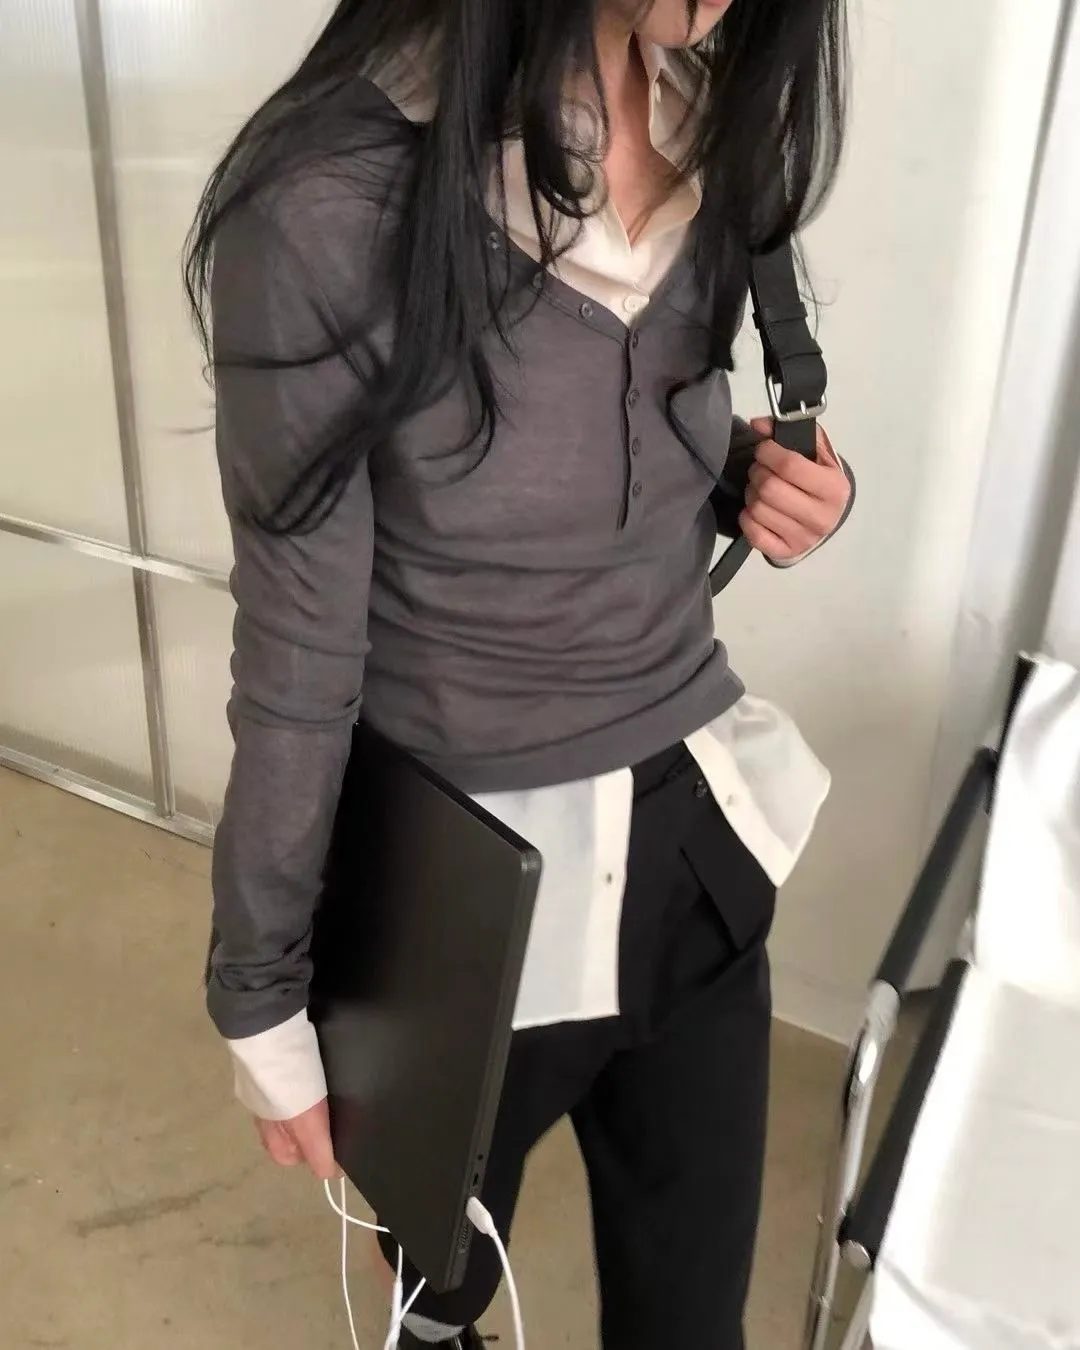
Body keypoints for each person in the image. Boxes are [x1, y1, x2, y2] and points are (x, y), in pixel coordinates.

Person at [185, 1, 851, 1346]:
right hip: (459, 892)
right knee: (439, 1301)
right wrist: (260, 988)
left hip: (693, 846)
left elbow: (648, 421)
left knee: (692, 1318)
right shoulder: (328, 201)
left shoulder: (712, 123)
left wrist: (761, 480)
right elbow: (302, 650)